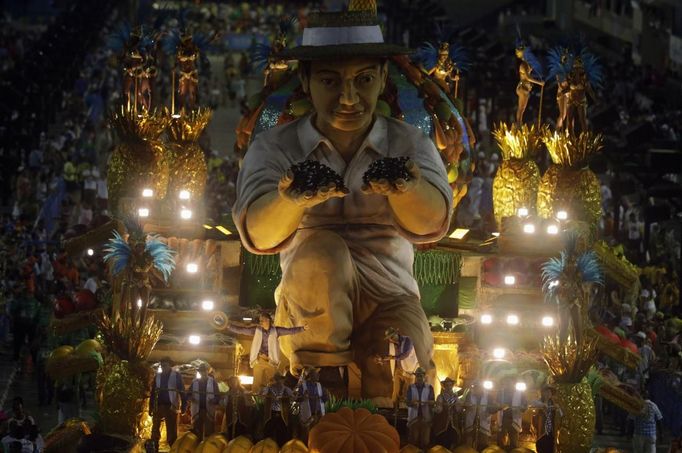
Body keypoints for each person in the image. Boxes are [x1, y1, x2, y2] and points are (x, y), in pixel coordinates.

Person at [233, 2, 452, 400]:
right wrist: (291, 201)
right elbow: (258, 236)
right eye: (332, 82)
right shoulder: (275, 148)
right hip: (311, 307)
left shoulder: (409, 144)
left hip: (391, 297)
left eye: (364, 80)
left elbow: (431, 223)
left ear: (383, 77)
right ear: (306, 79)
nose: (348, 98)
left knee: (396, 379)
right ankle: (320, 390)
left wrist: (406, 189)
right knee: (322, 252)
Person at [227, 313, 307, 390]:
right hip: (259, 360)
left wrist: (302, 328)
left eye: (262, 320)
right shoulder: (256, 330)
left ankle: (270, 400)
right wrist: (229, 326)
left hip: (271, 361)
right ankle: (256, 401)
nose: (260, 322)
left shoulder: (276, 330)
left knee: (272, 382)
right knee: (257, 383)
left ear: (268, 320)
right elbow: (242, 330)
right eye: (260, 320)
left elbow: (289, 331)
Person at [373, 327, 418, 405]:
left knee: (407, 394)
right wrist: (382, 359)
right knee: (395, 394)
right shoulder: (392, 344)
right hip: (399, 371)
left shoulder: (407, 340)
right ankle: (395, 412)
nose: (391, 339)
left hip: (410, 371)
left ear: (397, 334)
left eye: (392, 336)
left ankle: (406, 413)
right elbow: (390, 356)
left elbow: (405, 354)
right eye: (389, 338)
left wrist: (392, 357)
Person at [150, 357, 185, 450]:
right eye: (162, 365)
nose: (163, 367)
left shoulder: (176, 376)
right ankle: (154, 447)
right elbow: (153, 392)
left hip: (171, 406)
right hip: (159, 405)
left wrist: (184, 406)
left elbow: (182, 391)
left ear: (170, 365)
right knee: (155, 429)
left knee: (171, 431)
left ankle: (173, 448)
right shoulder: (157, 376)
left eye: (165, 365)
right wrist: (151, 406)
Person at [188, 363, 220, 441]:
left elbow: (218, 395)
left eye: (204, 371)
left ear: (207, 371)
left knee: (209, 432)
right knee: (197, 431)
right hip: (197, 410)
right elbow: (188, 394)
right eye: (201, 371)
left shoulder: (213, 382)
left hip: (208, 410)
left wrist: (214, 400)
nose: (203, 373)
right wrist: (191, 398)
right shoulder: (194, 382)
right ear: (199, 372)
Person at [261, 373, 294, 447]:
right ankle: (267, 447)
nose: (279, 381)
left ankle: (282, 446)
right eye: (277, 379)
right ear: (275, 380)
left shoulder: (286, 389)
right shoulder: (269, 388)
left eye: (280, 379)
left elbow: (293, 397)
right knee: (268, 431)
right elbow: (262, 395)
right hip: (271, 413)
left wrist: (289, 397)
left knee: (282, 432)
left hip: (282, 413)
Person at [405, 367, 435, 450]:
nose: (419, 378)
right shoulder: (411, 387)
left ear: (424, 377)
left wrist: (431, 403)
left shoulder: (430, 388)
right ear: (415, 377)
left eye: (421, 376)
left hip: (426, 418)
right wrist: (412, 403)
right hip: (414, 418)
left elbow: (432, 401)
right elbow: (408, 402)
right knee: (413, 440)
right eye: (417, 376)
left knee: (425, 441)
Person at [295, 367, 327, 440]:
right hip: (307, 416)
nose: (318, 376)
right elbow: (296, 399)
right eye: (316, 374)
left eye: (318, 374)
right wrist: (303, 397)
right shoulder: (303, 386)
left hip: (318, 415)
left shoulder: (319, 385)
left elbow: (325, 398)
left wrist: (325, 396)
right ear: (311, 376)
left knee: (318, 435)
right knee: (307, 436)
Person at [496, 376, 527, 449]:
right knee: (500, 442)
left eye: (509, 381)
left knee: (513, 442)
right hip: (502, 419)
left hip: (514, 420)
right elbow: (496, 403)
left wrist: (522, 407)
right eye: (506, 381)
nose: (508, 383)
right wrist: (498, 405)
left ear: (514, 383)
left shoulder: (520, 393)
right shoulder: (500, 392)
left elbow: (525, 405)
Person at [462, 381, 495, 450]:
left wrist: (495, 408)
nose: (477, 389)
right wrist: (466, 405)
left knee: (482, 444)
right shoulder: (469, 394)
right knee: (469, 443)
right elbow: (464, 404)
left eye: (478, 387)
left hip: (483, 423)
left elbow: (491, 409)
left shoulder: (488, 396)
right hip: (471, 422)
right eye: (475, 387)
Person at [432, 377, 463, 449]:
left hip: (453, 423)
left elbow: (458, 409)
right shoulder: (440, 397)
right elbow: (438, 409)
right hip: (443, 422)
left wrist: (459, 406)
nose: (448, 387)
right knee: (442, 440)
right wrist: (437, 408)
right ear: (444, 386)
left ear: (452, 386)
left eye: (450, 385)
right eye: (447, 385)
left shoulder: (455, 397)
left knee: (452, 440)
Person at [533, 384, 562, 453]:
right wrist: (542, 405)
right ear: (543, 393)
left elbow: (561, 414)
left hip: (551, 431)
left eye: (550, 392)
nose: (548, 394)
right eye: (546, 392)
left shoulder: (554, 403)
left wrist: (558, 409)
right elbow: (533, 403)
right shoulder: (539, 402)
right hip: (541, 430)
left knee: (550, 447)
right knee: (541, 446)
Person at [222, 376, 252, 441]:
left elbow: (249, 404)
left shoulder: (244, 392)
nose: (232, 383)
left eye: (234, 382)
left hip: (241, 418)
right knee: (231, 434)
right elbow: (224, 404)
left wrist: (247, 397)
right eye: (231, 382)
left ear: (237, 382)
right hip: (231, 418)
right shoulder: (228, 393)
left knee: (240, 435)